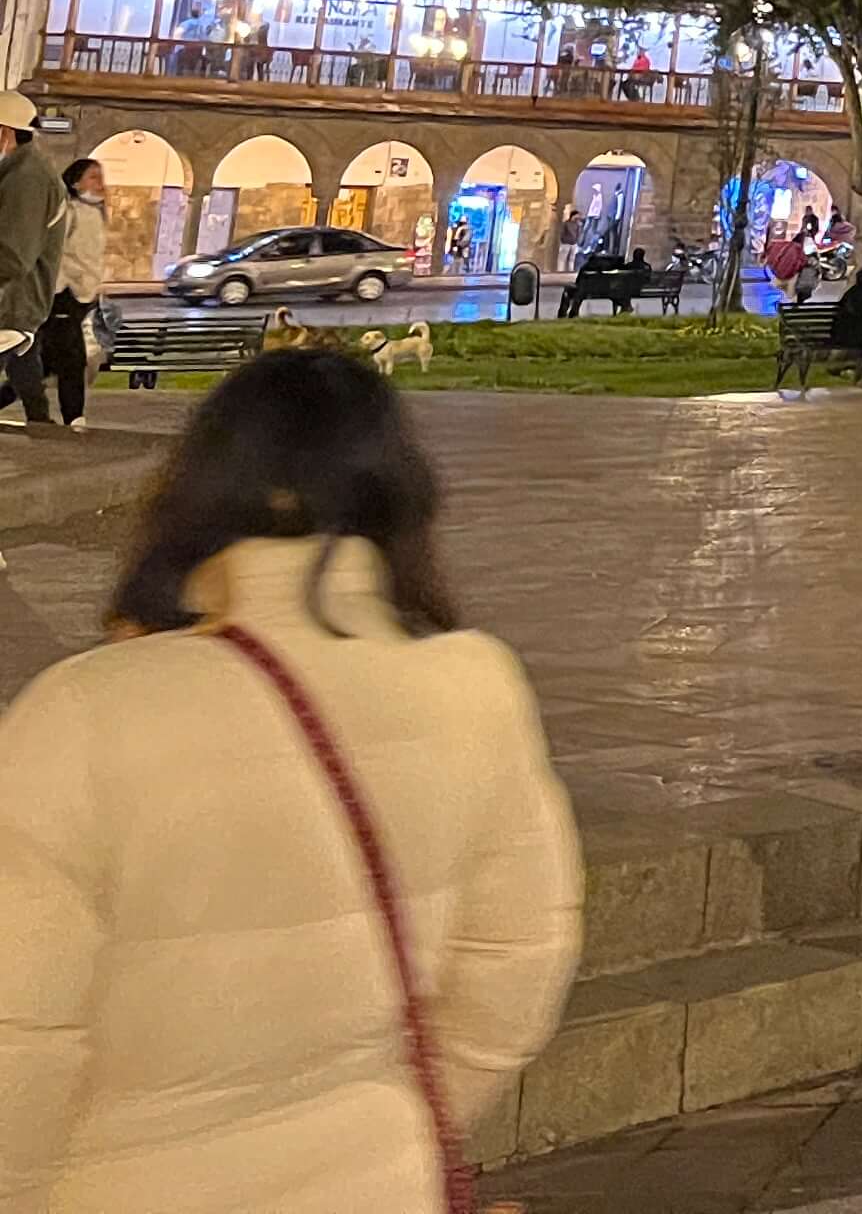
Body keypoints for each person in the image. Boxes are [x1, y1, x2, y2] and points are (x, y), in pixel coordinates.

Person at [0, 350, 583, 1205]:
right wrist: (373, 1134)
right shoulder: (476, 688)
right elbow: (517, 969)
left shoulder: (83, 712)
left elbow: (19, 1034)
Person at [0, 90, 63, 432]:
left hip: (11, 303)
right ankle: (42, 424)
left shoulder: (27, 176)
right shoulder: (20, 170)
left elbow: (12, 255)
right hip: (15, 305)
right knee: (26, 370)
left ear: (4, 132)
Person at [33, 152, 110, 432]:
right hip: (63, 293)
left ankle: (17, 402)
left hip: (82, 297)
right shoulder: (70, 212)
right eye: (93, 177)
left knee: (47, 364)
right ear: (76, 183)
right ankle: (75, 419)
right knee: (72, 360)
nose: (100, 183)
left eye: (101, 177)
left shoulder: (96, 213)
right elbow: (54, 250)